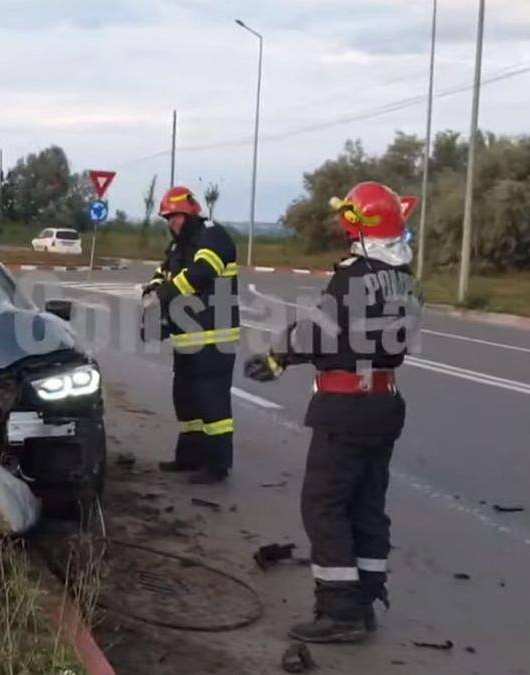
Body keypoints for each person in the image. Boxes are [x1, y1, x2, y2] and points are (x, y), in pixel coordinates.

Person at [243, 181, 423, 644]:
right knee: (366, 504)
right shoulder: (406, 279)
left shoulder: (355, 276)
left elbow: (323, 332)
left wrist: (278, 356)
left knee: (324, 505)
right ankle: (364, 600)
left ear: (357, 228)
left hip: (345, 406)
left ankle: (339, 609)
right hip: (384, 403)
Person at [142, 186, 240, 485]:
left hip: (214, 336)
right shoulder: (179, 246)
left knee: (212, 404)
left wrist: (165, 294)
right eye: (168, 218)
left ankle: (217, 465)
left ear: (190, 213)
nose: (171, 223)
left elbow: (202, 272)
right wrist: (153, 288)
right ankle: (189, 457)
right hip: (186, 338)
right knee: (186, 400)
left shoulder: (212, 236)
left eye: (175, 217)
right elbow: (165, 271)